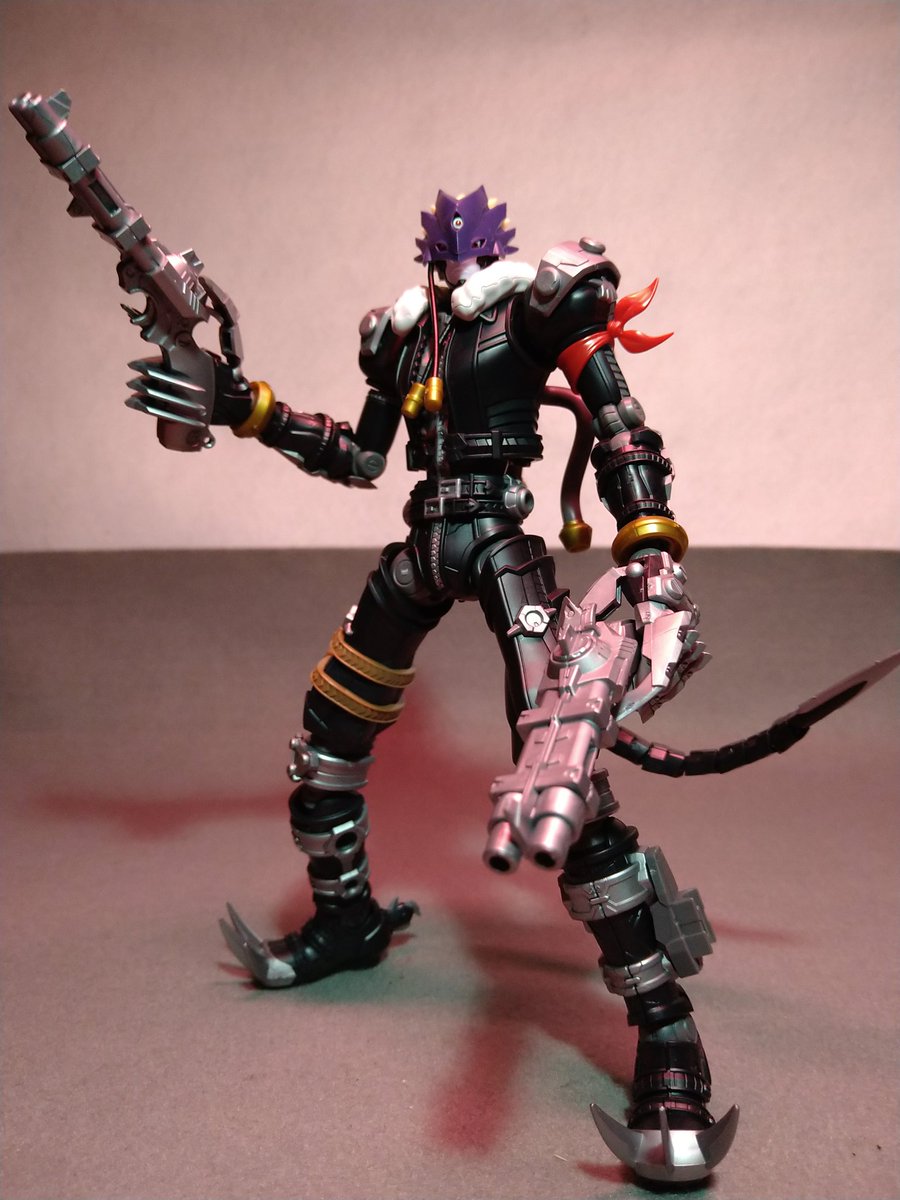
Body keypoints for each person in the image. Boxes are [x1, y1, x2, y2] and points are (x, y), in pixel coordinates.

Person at [216, 187, 735, 1182]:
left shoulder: (540, 306)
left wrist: (649, 554)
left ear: (497, 247)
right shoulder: (402, 338)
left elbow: (622, 427)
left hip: (502, 548)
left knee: (564, 769)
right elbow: (362, 455)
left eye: (474, 242)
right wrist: (251, 410)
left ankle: (667, 1031)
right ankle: (346, 919)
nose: (458, 252)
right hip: (423, 550)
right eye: (444, 245)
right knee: (327, 733)